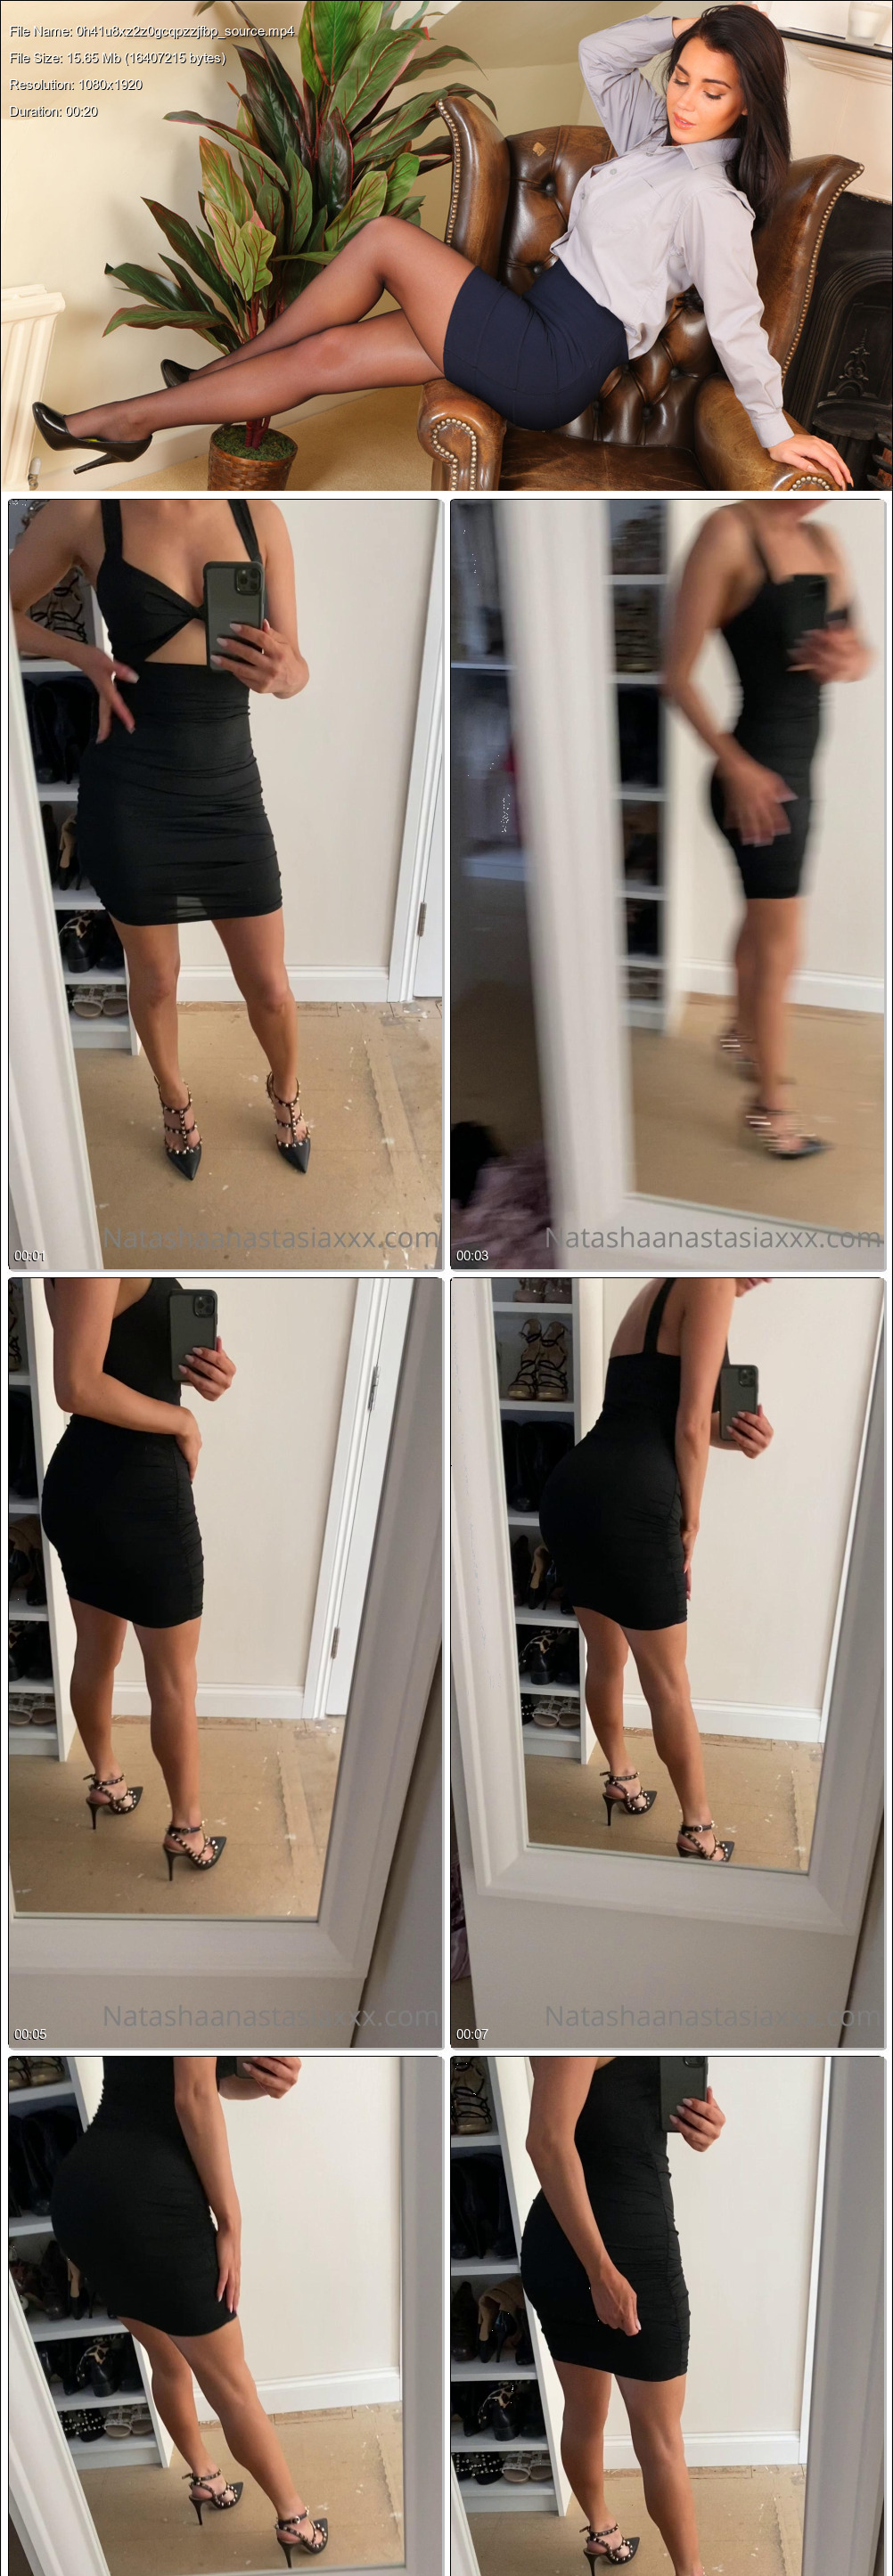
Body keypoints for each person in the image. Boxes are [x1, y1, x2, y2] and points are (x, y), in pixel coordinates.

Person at [31, 12, 848, 492]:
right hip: (535, 321)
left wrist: (773, 427)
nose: (686, 101)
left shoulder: (711, 199)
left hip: (556, 358)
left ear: (749, 103)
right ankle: (129, 421)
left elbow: (739, 322)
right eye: (682, 77)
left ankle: (205, 377)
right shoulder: (653, 141)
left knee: (385, 238)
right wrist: (685, 26)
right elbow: (600, 55)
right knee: (327, 356)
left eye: (713, 90)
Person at [11, 497, 310, 1176]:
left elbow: (296, 669)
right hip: (133, 791)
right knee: (154, 982)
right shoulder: (87, 511)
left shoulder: (257, 515)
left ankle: (286, 1089)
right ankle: (175, 1101)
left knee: (270, 987)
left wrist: (287, 673)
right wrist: (83, 656)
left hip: (229, 792)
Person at [50, 2055, 328, 2565]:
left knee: (168, 2359)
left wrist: (262, 2080)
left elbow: (208, 2080)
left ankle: (206, 2479)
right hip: (150, 2198)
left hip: (84, 2193)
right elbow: (193, 2094)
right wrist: (231, 2223)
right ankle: (295, 2520)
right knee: (233, 2389)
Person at [663, 500, 873, 1159]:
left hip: (797, 774)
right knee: (782, 948)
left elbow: (861, 652)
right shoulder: (729, 533)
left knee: (763, 924)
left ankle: (738, 1032)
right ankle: (770, 1106)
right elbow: (675, 676)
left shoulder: (825, 541)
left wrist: (849, 659)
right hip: (758, 781)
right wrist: (737, 767)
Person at [537, 1276, 773, 1864]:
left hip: (576, 1487)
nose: (767, 1274)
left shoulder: (656, 1289)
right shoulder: (711, 1280)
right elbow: (688, 1428)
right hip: (635, 1503)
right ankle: (699, 1831)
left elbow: (670, 1417)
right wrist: (691, 1522)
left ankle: (622, 1778)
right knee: (669, 1683)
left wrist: (744, 1435)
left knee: (605, 1656)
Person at [521, 2056, 725, 2576]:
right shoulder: (578, 2016)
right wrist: (601, 2273)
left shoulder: (638, 2016)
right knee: (657, 2438)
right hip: (614, 2258)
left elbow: (614, 2120)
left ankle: (603, 2534)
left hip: (591, 2250)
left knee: (589, 2416)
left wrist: (700, 2126)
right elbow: (546, 2142)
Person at [40, 1276, 233, 1879]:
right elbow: (77, 1385)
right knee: (174, 1680)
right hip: (139, 1488)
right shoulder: (97, 1253)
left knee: (97, 1653)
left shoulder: (77, 1248)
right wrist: (182, 1420)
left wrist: (203, 1375)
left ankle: (107, 1781)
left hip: (86, 1484)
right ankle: (187, 1831)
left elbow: (111, 1360)